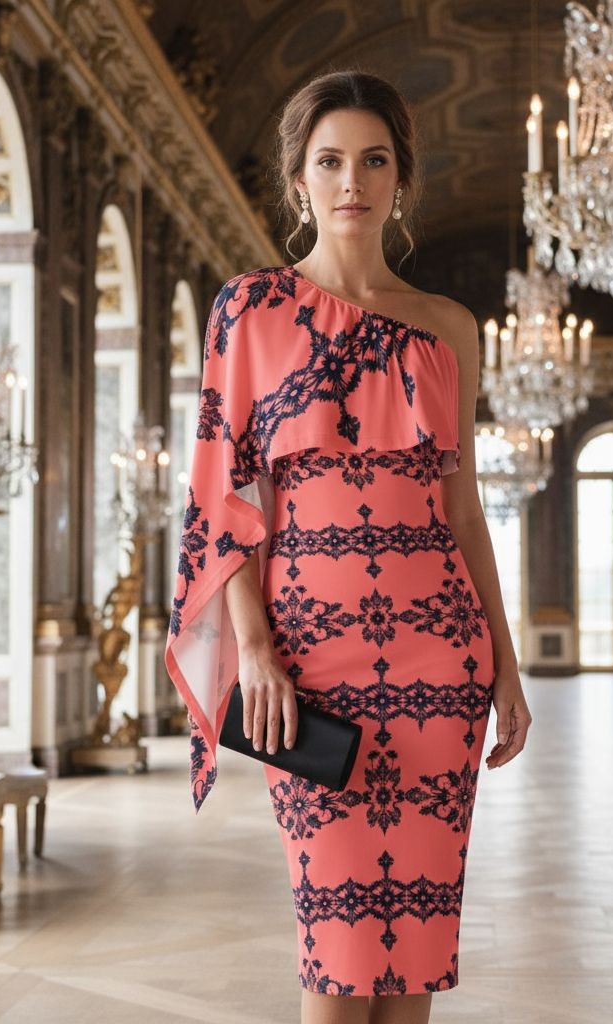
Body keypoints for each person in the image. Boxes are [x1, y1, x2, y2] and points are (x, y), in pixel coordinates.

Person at [165, 69, 531, 1024]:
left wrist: (507, 668)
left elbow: (464, 515)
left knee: (414, 955)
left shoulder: (449, 330)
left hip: (440, 661)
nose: (351, 181)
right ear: (299, 181)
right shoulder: (248, 312)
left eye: (374, 160)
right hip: (311, 663)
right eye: (329, 161)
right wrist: (253, 649)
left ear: (401, 178)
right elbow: (222, 498)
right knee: (335, 955)